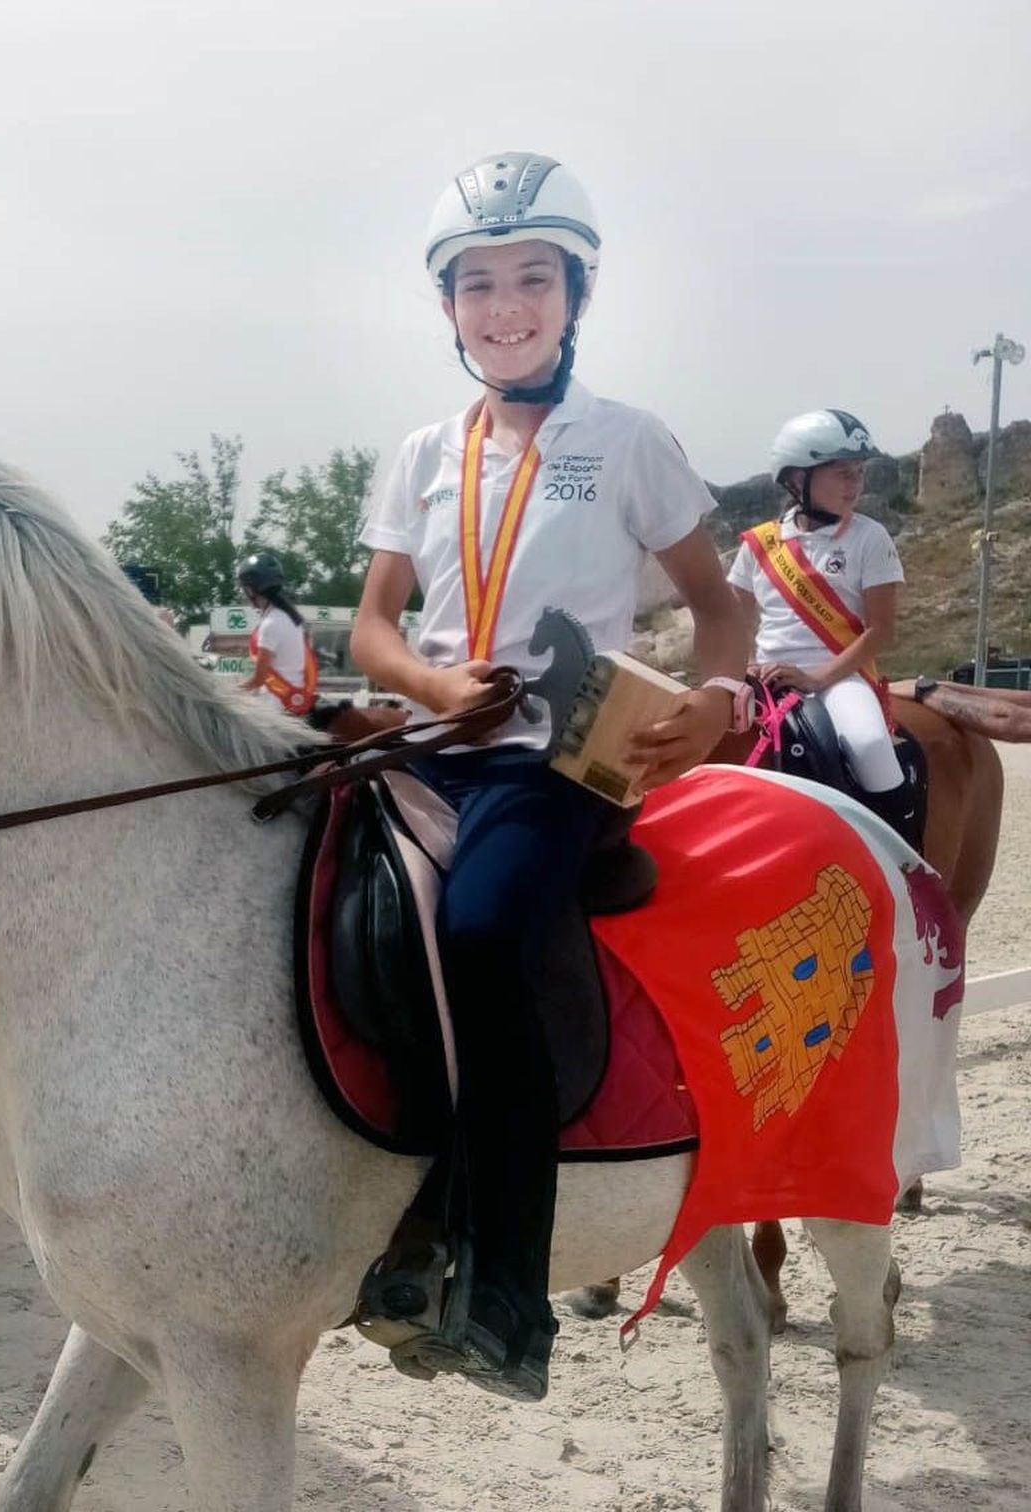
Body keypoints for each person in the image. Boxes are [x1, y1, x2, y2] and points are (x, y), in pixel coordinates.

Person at [349, 151, 751, 1399]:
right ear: (448, 307)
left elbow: (715, 604)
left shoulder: (627, 441)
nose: (503, 305)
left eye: (532, 277)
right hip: (428, 746)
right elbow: (371, 627)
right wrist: (425, 687)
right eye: (477, 284)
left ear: (575, 295)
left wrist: (719, 697)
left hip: (558, 760)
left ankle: (512, 1291)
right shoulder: (421, 452)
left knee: (480, 930)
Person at [728, 410, 911, 833]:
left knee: (868, 745)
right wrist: (742, 667)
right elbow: (732, 619)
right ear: (798, 479)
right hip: (763, 676)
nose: (855, 484)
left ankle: (904, 861)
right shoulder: (759, 543)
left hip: (838, 677)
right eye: (842, 472)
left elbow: (882, 632)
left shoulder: (869, 537)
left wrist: (816, 677)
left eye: (859, 472)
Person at [236, 551, 318, 715]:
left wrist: (232, 691)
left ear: (252, 590)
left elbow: (259, 679)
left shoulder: (270, 624)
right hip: (296, 699)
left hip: (274, 704)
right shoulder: (290, 619)